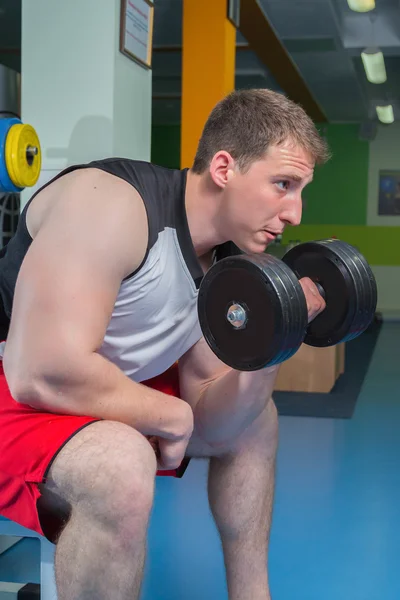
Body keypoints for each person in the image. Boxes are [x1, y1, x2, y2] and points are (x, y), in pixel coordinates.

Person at [0, 88, 329, 600]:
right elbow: (40, 369)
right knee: (121, 463)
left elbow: (218, 420)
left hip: (100, 382)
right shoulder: (110, 203)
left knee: (256, 421)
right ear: (224, 168)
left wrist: (275, 338)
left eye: (301, 190)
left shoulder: (225, 262)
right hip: (16, 383)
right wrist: (168, 416)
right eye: (282, 185)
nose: (296, 213)